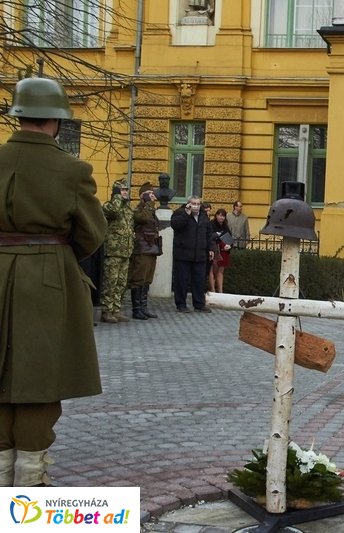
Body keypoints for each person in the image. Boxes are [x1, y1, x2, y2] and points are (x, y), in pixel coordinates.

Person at [0, 77, 106, 486]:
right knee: (38, 381)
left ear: (19, 114)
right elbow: (92, 234)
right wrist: (53, 255)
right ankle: (29, 488)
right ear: (57, 121)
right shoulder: (72, 168)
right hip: (46, 280)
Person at [171, 195, 214, 313]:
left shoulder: (204, 216)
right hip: (183, 254)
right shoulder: (179, 213)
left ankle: (199, 304)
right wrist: (187, 214)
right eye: (193, 204)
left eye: (198, 204)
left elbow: (209, 234)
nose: (196, 206)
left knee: (199, 280)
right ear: (188, 204)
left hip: (199, 255)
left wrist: (211, 248)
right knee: (182, 281)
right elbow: (175, 225)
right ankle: (181, 304)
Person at [100, 179, 134, 323]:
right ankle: (106, 311)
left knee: (121, 283)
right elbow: (113, 212)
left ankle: (116, 309)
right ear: (116, 193)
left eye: (127, 190)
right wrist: (117, 197)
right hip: (113, 251)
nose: (126, 192)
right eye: (122, 190)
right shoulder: (109, 206)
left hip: (125, 251)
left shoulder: (127, 209)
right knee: (110, 282)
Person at [129, 183, 161, 320]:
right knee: (138, 279)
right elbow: (143, 219)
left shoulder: (151, 210)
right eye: (150, 193)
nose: (153, 195)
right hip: (142, 248)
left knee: (147, 279)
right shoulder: (139, 209)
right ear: (143, 195)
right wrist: (148, 204)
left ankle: (143, 307)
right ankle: (136, 309)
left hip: (151, 248)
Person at [209, 208, 233, 293]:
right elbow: (209, 237)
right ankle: (212, 289)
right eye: (220, 215)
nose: (221, 217)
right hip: (215, 250)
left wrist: (229, 245)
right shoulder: (211, 224)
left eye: (223, 216)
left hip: (223, 251)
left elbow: (230, 238)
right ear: (216, 215)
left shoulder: (225, 226)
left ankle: (220, 290)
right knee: (212, 270)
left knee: (221, 271)